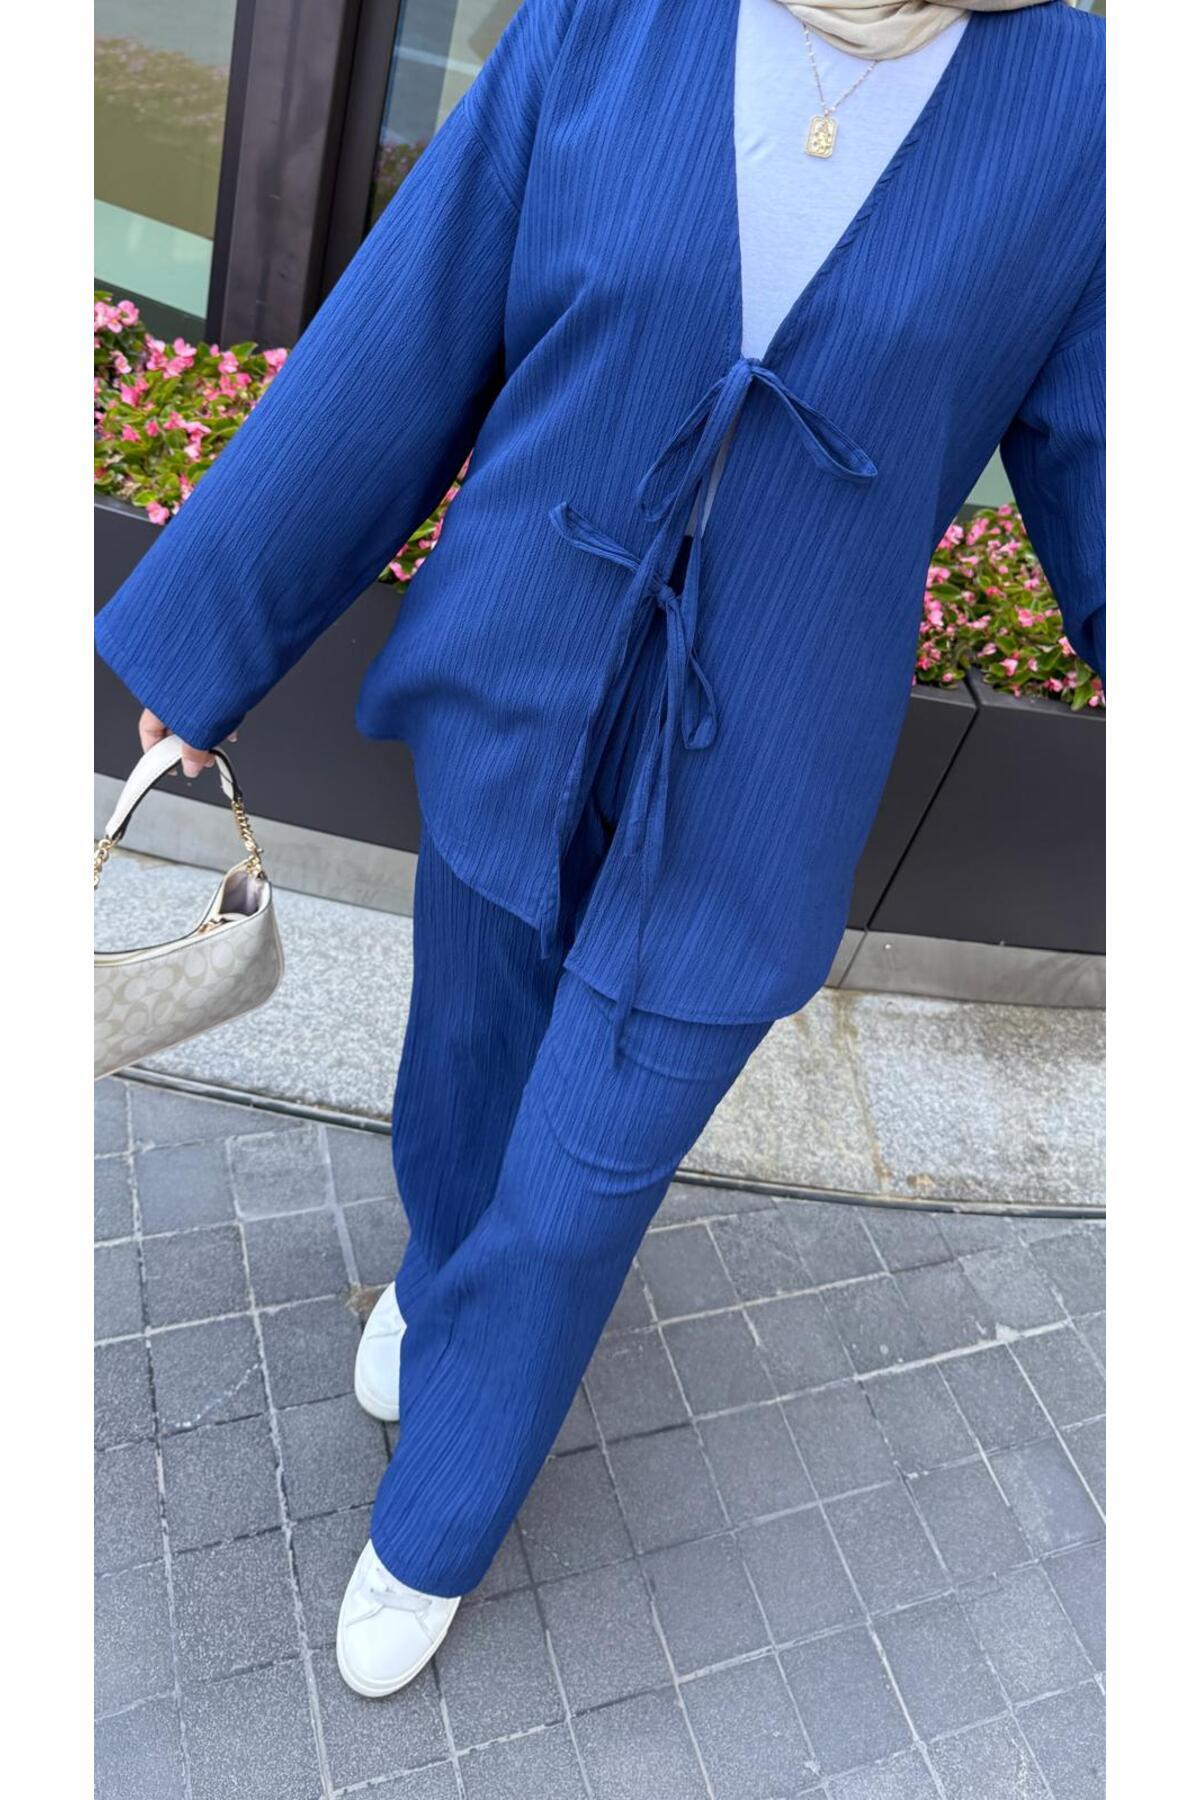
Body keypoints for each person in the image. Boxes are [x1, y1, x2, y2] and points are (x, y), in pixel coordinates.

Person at [95, 0, 1104, 1697]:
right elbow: (405, 338)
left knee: (574, 1198)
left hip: (765, 773)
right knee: (463, 1075)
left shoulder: (1085, 110)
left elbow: (1124, 463)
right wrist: (211, 640)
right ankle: (438, 1269)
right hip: (518, 684)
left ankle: (441, 1514)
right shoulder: (609, 19)